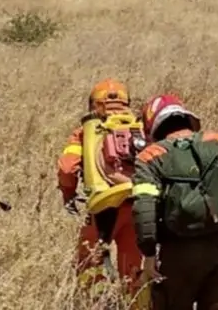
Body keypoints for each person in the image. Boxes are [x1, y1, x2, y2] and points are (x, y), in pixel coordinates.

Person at [130, 94, 218, 310]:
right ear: (186, 118)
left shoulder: (150, 157)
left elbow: (144, 211)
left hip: (178, 253)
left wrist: (149, 254)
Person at [56, 79, 145, 304]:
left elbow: (67, 167)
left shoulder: (86, 132)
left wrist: (68, 195)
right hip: (137, 207)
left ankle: (100, 304)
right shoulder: (140, 128)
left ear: (93, 104)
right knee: (133, 272)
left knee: (89, 263)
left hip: (101, 206)